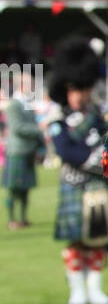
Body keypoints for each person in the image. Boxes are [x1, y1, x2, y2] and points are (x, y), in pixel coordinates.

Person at [47, 38, 108, 304]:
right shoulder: (58, 119)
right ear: (65, 88)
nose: (81, 95)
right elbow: (69, 154)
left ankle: (95, 289)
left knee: (98, 241)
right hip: (75, 186)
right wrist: (107, 159)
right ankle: (77, 291)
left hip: (99, 187)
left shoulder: (98, 116)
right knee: (75, 242)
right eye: (76, 89)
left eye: (84, 88)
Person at [2, 92, 43, 229]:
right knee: (13, 188)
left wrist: (39, 144)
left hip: (29, 151)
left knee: (26, 187)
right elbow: (17, 127)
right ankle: (12, 219)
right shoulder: (14, 104)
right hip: (17, 151)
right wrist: (39, 130)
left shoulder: (28, 105)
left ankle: (23, 218)